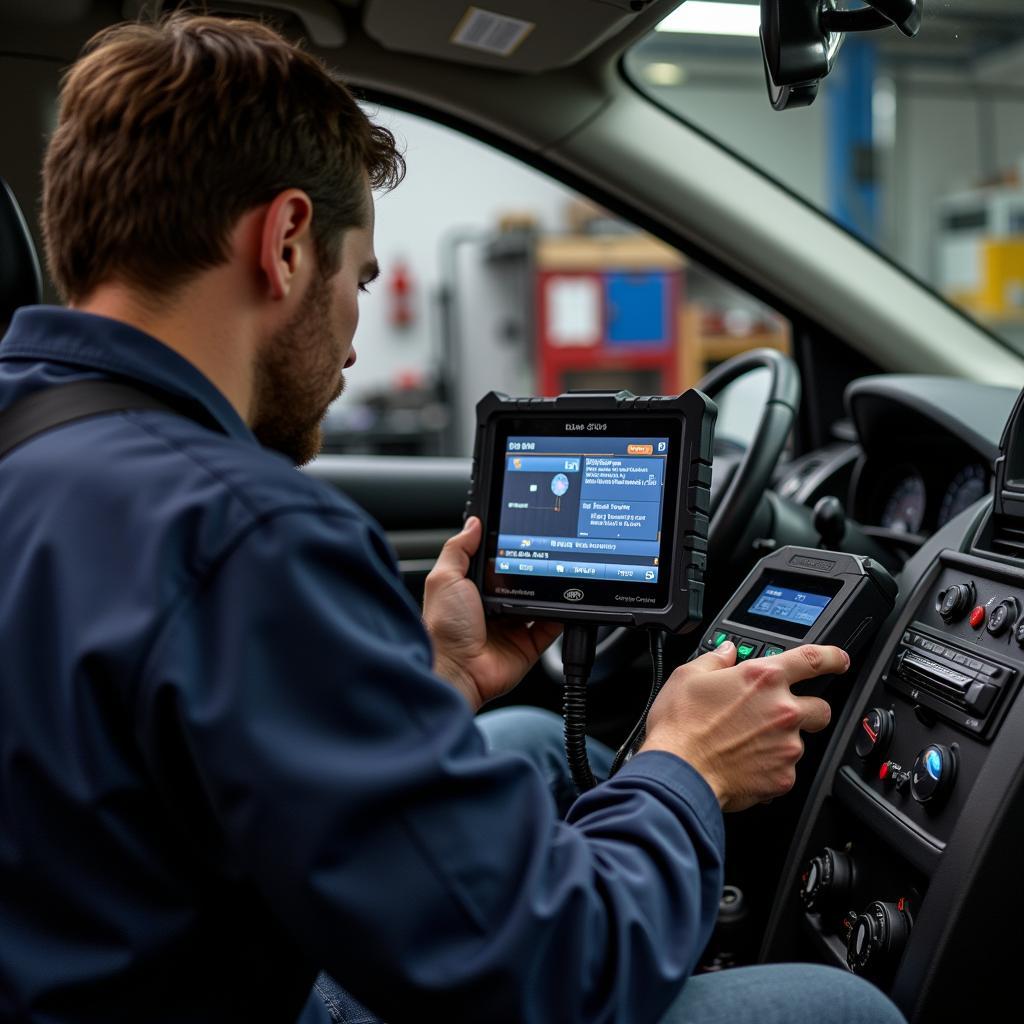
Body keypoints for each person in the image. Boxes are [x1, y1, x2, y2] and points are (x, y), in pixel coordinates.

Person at [0, 13, 905, 1024]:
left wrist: (432, 680)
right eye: (360, 278)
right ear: (286, 242)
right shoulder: (237, 531)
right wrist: (685, 766)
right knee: (838, 1005)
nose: (351, 333)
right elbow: (561, 974)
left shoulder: (31, 437)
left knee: (519, 732)